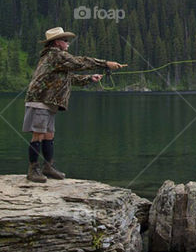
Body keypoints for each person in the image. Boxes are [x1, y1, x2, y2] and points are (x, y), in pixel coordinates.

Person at [22, 26, 126, 183]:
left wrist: (89, 79)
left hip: (49, 102)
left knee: (49, 134)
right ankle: (33, 169)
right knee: (39, 134)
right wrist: (105, 63)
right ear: (57, 42)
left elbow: (68, 78)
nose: (68, 43)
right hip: (40, 100)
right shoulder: (55, 55)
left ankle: (48, 167)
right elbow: (79, 62)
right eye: (65, 40)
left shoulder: (56, 58)